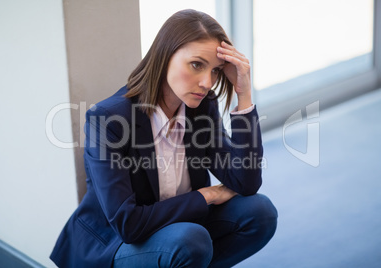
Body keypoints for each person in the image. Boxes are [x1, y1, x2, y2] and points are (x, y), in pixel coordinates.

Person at [50, 9, 277, 268]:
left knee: (260, 213)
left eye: (216, 70)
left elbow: (246, 182)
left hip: (183, 230)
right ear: (165, 55)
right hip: (118, 243)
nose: (207, 82)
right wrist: (207, 195)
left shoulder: (201, 107)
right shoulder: (108, 120)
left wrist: (243, 93)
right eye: (196, 65)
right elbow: (129, 225)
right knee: (191, 240)